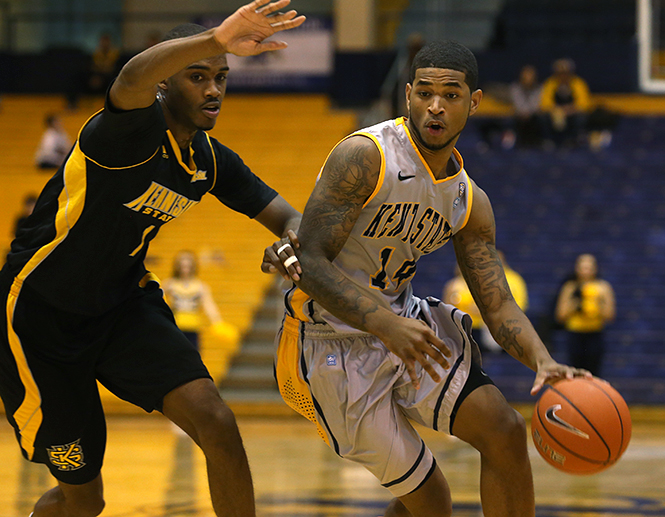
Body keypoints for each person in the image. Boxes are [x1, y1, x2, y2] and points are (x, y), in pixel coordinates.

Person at [0, 2, 304, 516]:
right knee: (84, 502)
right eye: (198, 76)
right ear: (166, 84)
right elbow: (130, 76)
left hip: (121, 308)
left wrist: (292, 245)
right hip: (40, 316)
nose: (213, 89)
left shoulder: (209, 160)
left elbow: (290, 219)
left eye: (221, 78)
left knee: (217, 421)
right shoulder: (125, 135)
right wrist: (216, 39)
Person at [265, 40, 589, 517]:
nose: (436, 106)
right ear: (409, 95)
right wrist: (385, 325)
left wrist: (542, 361)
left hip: (406, 329)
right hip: (329, 343)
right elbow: (308, 263)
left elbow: (496, 303)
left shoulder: (468, 200)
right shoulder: (366, 155)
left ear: (474, 102)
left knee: (504, 430)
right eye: (426, 93)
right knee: (432, 499)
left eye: (452, 95)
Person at [163, 250, 240, 378]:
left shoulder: (200, 286)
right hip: (175, 328)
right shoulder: (169, 284)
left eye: (188, 265)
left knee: (193, 359)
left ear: (193, 266)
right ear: (177, 266)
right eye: (182, 265)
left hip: (193, 328)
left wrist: (217, 322)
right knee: (173, 358)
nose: (185, 269)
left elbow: (209, 305)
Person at [444, 251, 528, 354]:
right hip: (468, 325)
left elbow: (519, 305)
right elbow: (448, 308)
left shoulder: (513, 279)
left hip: (497, 323)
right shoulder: (457, 283)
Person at [555, 253, 616, 376]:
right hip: (575, 334)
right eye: (583, 267)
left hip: (594, 333)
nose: (585, 271)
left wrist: (595, 305)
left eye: (588, 267)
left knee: (594, 372)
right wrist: (576, 304)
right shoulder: (570, 288)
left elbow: (610, 315)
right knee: (574, 372)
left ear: (595, 268)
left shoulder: (603, 287)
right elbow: (560, 315)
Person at [540, 58, 591, 148]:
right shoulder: (550, 83)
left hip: (572, 113)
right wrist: (557, 110)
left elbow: (584, 104)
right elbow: (544, 104)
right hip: (555, 113)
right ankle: (549, 140)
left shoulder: (578, 83)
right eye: (560, 73)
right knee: (543, 117)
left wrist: (569, 109)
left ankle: (572, 140)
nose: (563, 76)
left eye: (565, 73)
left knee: (581, 117)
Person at [504, 64, 543, 149]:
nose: (528, 78)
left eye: (530, 75)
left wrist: (529, 113)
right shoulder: (515, 88)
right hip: (519, 116)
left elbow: (537, 104)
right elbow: (517, 103)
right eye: (526, 75)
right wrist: (523, 112)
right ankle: (510, 144)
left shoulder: (539, 89)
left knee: (541, 119)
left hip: (533, 117)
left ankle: (539, 144)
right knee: (509, 120)